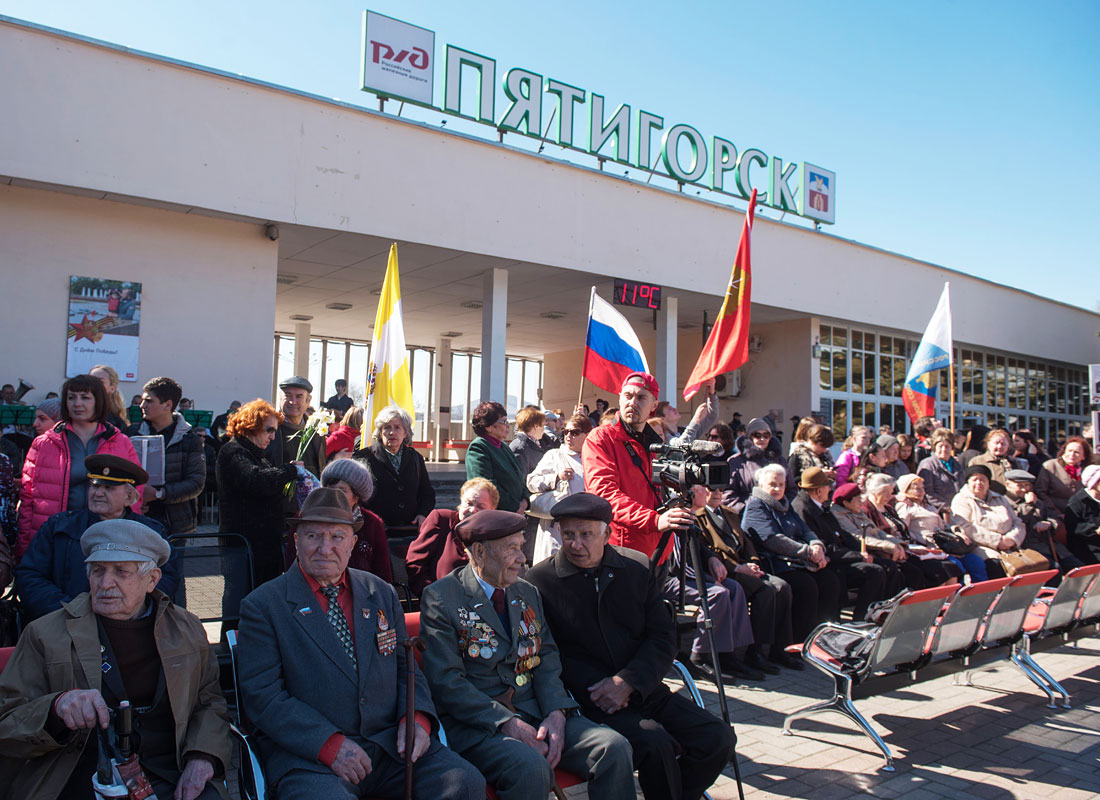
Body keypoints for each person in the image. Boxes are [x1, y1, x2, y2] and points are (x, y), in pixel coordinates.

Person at [235, 488, 483, 799]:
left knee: (466, 784)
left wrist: (416, 719)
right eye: (313, 536)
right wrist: (328, 745)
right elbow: (264, 697)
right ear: (296, 541)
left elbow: (407, 667)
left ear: (353, 543)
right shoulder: (264, 605)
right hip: (310, 757)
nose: (326, 548)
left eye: (337, 537)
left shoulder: (379, 592)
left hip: (390, 746)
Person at [0, 519, 232, 800]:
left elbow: (209, 702)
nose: (105, 583)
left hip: (168, 770)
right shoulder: (45, 633)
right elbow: (7, 721)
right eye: (98, 571)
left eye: (121, 572)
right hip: (75, 773)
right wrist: (56, 708)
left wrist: (202, 756)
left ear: (152, 580)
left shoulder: (186, 629)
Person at [526, 493, 733, 800]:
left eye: (586, 535)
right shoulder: (541, 580)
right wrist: (601, 688)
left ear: (607, 534)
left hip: (642, 686)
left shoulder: (635, 567)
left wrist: (629, 681)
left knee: (717, 738)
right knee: (655, 745)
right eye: (568, 534)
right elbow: (548, 652)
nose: (576, 544)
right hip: (589, 699)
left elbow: (663, 636)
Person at [419, 510, 635, 800]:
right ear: (480, 552)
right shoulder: (442, 598)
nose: (523, 558)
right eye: (512, 549)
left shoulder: (525, 591)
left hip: (536, 712)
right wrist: (505, 722)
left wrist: (556, 712)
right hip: (482, 725)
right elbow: (447, 682)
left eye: (522, 546)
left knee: (614, 747)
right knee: (531, 768)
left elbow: (546, 657)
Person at [16, 454, 179, 621]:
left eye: (108, 488)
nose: (98, 493)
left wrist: (128, 609)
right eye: (94, 486)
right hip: (65, 625)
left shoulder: (151, 532)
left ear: (129, 497)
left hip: (130, 626)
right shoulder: (59, 527)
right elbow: (30, 576)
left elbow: (166, 579)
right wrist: (70, 611)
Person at [17, 374, 141, 560]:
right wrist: (24, 547)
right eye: (71, 397)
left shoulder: (121, 442)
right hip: (55, 536)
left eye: (85, 397)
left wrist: (131, 536)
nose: (77, 403)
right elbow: (28, 497)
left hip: (106, 537)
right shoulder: (43, 443)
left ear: (98, 401)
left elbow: (134, 494)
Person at [582, 372, 694, 564]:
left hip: (658, 552)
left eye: (641, 397)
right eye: (628, 396)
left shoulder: (655, 444)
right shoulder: (601, 438)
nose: (632, 402)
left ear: (653, 406)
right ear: (619, 398)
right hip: (621, 553)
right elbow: (605, 494)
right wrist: (655, 521)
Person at [693, 484, 801, 671]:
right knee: (765, 591)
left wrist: (752, 562)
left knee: (783, 587)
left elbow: (745, 541)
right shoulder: (698, 516)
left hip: (744, 565)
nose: (718, 494)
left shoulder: (729, 513)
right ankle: (755, 651)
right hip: (727, 570)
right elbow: (706, 551)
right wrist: (738, 567)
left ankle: (780, 649)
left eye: (721, 490)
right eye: (712, 490)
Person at [741, 464, 842, 642]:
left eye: (781, 484)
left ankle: (824, 637)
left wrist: (817, 545)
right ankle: (796, 642)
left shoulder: (785, 505)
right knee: (806, 585)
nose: (778, 488)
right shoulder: (757, 506)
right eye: (773, 484)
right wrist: (808, 552)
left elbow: (805, 530)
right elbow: (773, 540)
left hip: (794, 561)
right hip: (772, 563)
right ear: (761, 485)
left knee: (829, 579)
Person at [216, 398, 300, 585]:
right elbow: (257, 480)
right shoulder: (233, 452)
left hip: (264, 547)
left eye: (274, 432)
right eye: (269, 430)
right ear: (252, 425)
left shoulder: (258, 456)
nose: (272, 437)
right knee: (239, 599)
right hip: (242, 548)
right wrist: (290, 470)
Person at [792, 467, 893, 621]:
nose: (829, 489)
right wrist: (858, 556)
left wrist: (861, 550)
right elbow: (824, 545)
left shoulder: (820, 505)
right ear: (818, 490)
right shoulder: (804, 509)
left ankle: (885, 616)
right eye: (827, 486)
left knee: (889, 565)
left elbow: (841, 534)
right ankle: (863, 619)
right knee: (874, 572)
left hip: (842, 553)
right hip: (830, 560)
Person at [129, 376, 207, 536]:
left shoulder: (189, 439)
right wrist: (134, 499)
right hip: (136, 519)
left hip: (175, 525)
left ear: (167, 405)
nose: (142, 405)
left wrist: (159, 494)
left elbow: (195, 483)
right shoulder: (131, 434)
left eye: (149, 401)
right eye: (143, 400)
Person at [864, 473, 962, 587]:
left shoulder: (888, 507)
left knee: (950, 567)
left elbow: (902, 529)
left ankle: (946, 603)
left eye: (891, 492)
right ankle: (932, 603)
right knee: (930, 572)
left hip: (908, 548)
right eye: (887, 492)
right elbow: (875, 535)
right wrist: (900, 547)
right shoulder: (867, 510)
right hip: (891, 553)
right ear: (876, 491)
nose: (890, 495)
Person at [406, 478, 497, 595]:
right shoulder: (442, 520)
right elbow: (415, 563)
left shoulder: (494, 535)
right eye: (469, 503)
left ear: (492, 510)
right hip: (440, 601)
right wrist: (432, 594)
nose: (473, 510)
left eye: (480, 506)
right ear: (461, 502)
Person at [894, 473, 988, 583]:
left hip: (947, 544)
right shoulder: (906, 507)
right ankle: (960, 596)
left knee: (976, 562)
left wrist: (957, 532)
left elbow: (945, 525)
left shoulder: (928, 506)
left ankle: (982, 594)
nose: (922, 492)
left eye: (922, 488)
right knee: (956, 567)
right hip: (929, 547)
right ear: (906, 490)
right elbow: (901, 529)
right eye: (917, 489)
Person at [311, 458, 394, 581]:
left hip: (362, 593)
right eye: (330, 489)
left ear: (356, 497)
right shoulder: (307, 518)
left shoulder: (372, 523)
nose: (334, 495)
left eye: (342, 491)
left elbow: (382, 574)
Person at [354, 405, 435, 528]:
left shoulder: (416, 458)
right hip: (376, 530)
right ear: (380, 432)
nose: (392, 432)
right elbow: (354, 495)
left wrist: (422, 514)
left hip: (410, 529)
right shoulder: (364, 457)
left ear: (405, 433)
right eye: (387, 428)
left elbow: (427, 492)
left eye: (397, 427)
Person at [526, 413, 591, 562]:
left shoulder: (593, 458)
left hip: (584, 527)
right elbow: (532, 482)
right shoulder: (554, 455)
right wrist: (556, 477)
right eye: (566, 432)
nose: (569, 436)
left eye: (575, 432)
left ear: (587, 434)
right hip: (555, 527)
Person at [950, 464, 1026, 578]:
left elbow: (1018, 522)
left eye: (983, 479)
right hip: (980, 546)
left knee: (1035, 564)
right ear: (967, 482)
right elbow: (966, 527)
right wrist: (998, 541)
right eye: (975, 479)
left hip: (1009, 545)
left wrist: (1012, 539)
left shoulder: (1000, 498)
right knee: (997, 566)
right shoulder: (961, 499)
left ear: (988, 483)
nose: (979, 483)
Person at [1003, 469, 1082, 576]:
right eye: (1020, 485)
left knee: (1078, 568)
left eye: (1027, 485)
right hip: (1029, 548)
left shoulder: (1036, 500)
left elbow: (1053, 516)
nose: (1024, 489)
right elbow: (1017, 521)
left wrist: (1049, 523)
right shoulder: (1004, 502)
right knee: (1054, 571)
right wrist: (1029, 505)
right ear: (1008, 484)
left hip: (1051, 545)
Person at [465, 401, 527, 513]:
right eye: (503, 421)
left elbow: (519, 477)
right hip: (495, 516)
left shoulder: (503, 446)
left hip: (514, 514)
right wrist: (515, 506)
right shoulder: (478, 447)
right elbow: (485, 486)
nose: (508, 425)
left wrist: (525, 501)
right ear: (489, 427)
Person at [725, 417, 795, 515]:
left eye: (766, 435)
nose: (762, 439)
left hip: (778, 515)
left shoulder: (779, 460)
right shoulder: (736, 461)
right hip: (748, 516)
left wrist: (783, 507)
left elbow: (792, 489)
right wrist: (746, 511)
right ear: (750, 437)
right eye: (757, 435)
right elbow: (727, 492)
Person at [265, 375, 327, 480]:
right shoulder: (268, 430)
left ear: (308, 401)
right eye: (288, 395)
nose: (292, 402)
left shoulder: (316, 432)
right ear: (280, 398)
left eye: (299, 397)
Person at [1035, 436, 1093, 517]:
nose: (1072, 454)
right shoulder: (1050, 466)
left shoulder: (1087, 470)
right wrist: (1056, 512)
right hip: (1054, 513)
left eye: (1076, 452)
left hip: (1080, 513)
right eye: (1069, 451)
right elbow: (1040, 491)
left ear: (1083, 456)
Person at [917, 428, 963, 512]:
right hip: (938, 512)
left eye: (947, 446)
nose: (944, 449)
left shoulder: (957, 465)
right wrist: (946, 507)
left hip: (958, 509)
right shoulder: (928, 464)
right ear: (935, 447)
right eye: (940, 446)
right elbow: (927, 493)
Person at [1062, 465, 1100, 565]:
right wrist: (1095, 530)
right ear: (1093, 483)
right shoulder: (1077, 501)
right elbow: (1073, 527)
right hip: (1087, 547)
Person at [969, 428, 1016, 495]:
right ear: (988, 444)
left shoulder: (1014, 462)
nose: (999, 446)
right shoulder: (978, 461)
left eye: (1003, 444)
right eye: (996, 443)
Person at [509, 407, 547, 478]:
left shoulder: (531, 444)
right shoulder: (520, 448)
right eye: (543, 425)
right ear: (536, 426)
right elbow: (520, 481)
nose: (543, 430)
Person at [89, 364, 129, 429]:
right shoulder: (76, 413)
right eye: (90, 381)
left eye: (100, 381)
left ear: (112, 388)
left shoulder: (116, 423)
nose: (94, 385)